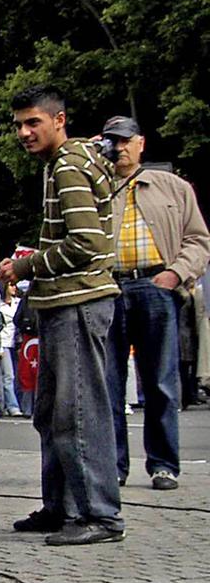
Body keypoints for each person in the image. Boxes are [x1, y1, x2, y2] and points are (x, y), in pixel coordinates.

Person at [0, 87, 126, 545]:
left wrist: (26, 265)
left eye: (33, 122)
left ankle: (99, 515)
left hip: (78, 300)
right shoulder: (68, 162)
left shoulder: (70, 166)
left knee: (76, 411)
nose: (24, 132)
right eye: (18, 124)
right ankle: (63, 507)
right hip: (65, 301)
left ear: (59, 120)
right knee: (52, 411)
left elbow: (88, 243)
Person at [101, 115, 209, 490]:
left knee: (161, 380)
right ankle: (113, 465)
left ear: (141, 143)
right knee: (108, 383)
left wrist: (176, 273)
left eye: (125, 141)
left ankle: (163, 464)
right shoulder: (97, 188)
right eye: (112, 141)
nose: (119, 148)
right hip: (109, 289)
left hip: (156, 284)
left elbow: (197, 239)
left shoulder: (172, 186)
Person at [0, 279, 24, 416]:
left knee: (18, 376)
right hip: (5, 343)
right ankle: (12, 406)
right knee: (8, 376)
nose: (14, 287)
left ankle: (17, 403)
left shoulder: (18, 302)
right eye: (11, 285)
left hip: (17, 343)